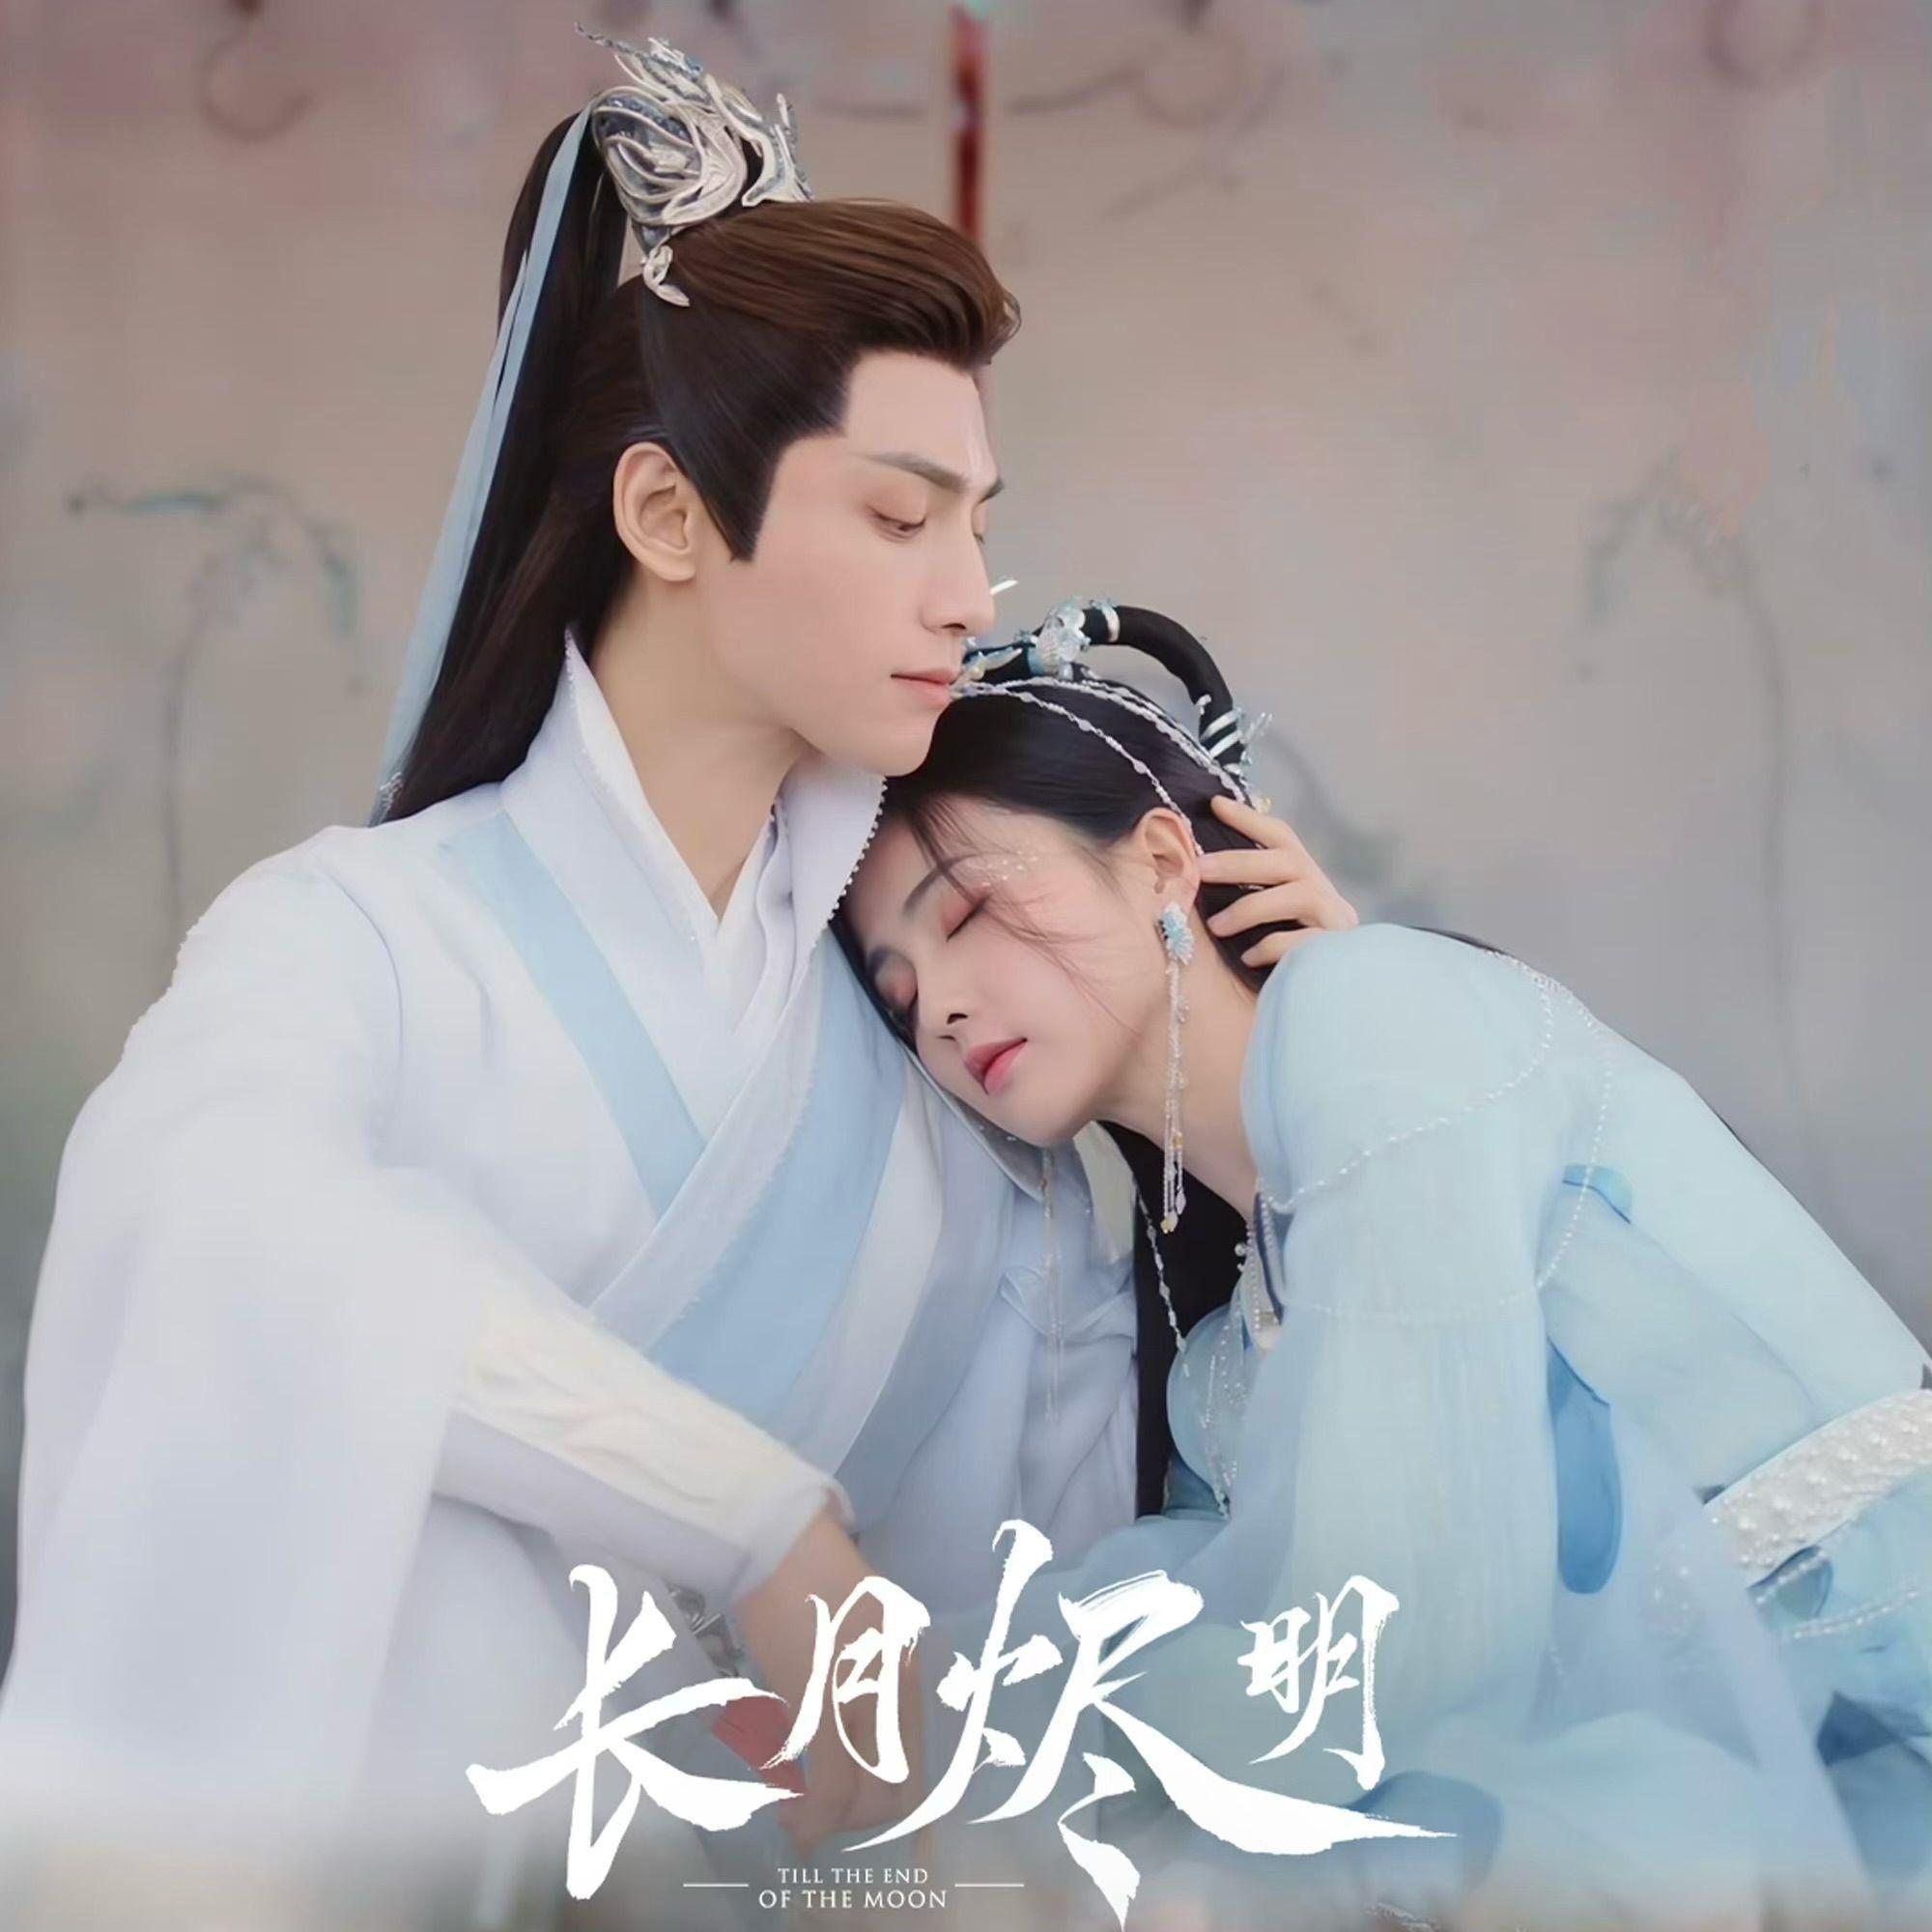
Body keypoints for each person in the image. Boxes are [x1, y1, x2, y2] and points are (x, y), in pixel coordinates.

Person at [0, 35, 1361, 1932]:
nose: (967, 591)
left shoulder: (964, 1089)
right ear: (663, 517)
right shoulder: (355, 944)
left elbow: (1026, 1647)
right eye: (899, 516)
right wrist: (756, 1523)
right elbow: (225, 1219)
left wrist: (1322, 1052)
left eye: (977, 522)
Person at [838, 600, 1932, 1930]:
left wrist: (950, 1736)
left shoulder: (1376, 1014)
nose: (942, 1007)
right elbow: (1202, 1622)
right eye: (900, 994)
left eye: (968, 913)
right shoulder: (1219, 1376)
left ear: (1164, 858)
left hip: (1884, 1741)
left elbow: (1395, 1638)